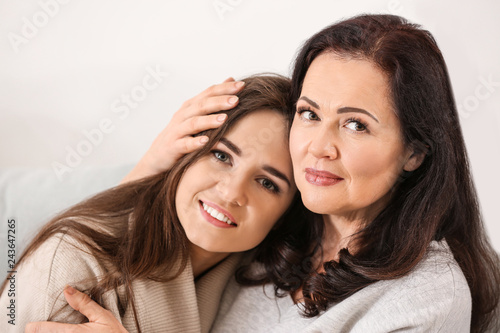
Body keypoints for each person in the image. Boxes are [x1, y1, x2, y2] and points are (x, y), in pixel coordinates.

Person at [25, 14, 500, 333]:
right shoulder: (274, 226)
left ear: (414, 153)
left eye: (355, 124)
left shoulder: (427, 297)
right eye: (310, 113)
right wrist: (153, 172)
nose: (318, 147)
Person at [0, 74, 309, 333]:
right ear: (185, 155)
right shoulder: (71, 264)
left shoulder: (255, 285)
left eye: (268, 183)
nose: (231, 193)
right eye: (221, 156)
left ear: (286, 214)